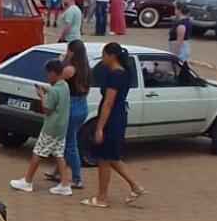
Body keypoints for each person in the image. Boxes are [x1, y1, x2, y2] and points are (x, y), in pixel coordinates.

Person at [82, 42, 146, 208]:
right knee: (111, 157)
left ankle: (102, 197)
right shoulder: (123, 74)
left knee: (105, 157)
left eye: (104, 55)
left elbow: (108, 102)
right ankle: (135, 186)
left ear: (112, 56)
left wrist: (99, 127)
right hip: (118, 116)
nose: (102, 59)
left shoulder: (115, 76)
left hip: (112, 117)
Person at [10, 59, 74, 196]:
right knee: (58, 153)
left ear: (52, 73)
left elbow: (47, 109)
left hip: (51, 127)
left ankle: (27, 181)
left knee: (38, 151)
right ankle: (65, 183)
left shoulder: (53, 91)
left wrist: (42, 96)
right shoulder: (65, 86)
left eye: (48, 74)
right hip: (62, 127)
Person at [48, 40, 91, 190]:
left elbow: (56, 80)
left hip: (72, 106)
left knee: (70, 143)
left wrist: (61, 61)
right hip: (82, 105)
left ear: (72, 52)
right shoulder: (86, 69)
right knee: (66, 140)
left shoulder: (71, 69)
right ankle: (57, 170)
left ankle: (77, 178)